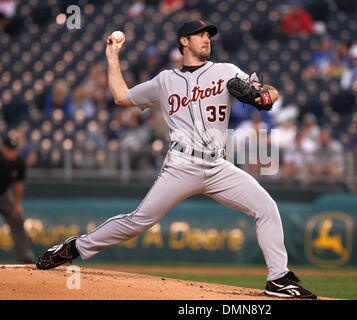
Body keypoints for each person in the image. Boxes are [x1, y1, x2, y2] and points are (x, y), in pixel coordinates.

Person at [36, 20, 317, 299]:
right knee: (138, 222)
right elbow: (121, 97)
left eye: (209, 35)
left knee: (266, 206)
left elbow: (266, 90)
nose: (207, 39)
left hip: (218, 165)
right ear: (184, 41)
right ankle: (76, 247)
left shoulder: (226, 71)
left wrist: (265, 95)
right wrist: (112, 56)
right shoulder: (164, 81)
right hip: (182, 165)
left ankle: (278, 278)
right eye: (200, 35)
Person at [0, 135, 35, 263]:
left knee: (18, 218)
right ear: (3, 149)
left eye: (15, 150)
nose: (13, 153)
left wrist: (16, 204)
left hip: (3, 195)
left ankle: (25, 257)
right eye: (10, 150)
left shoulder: (18, 162)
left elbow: (19, 185)